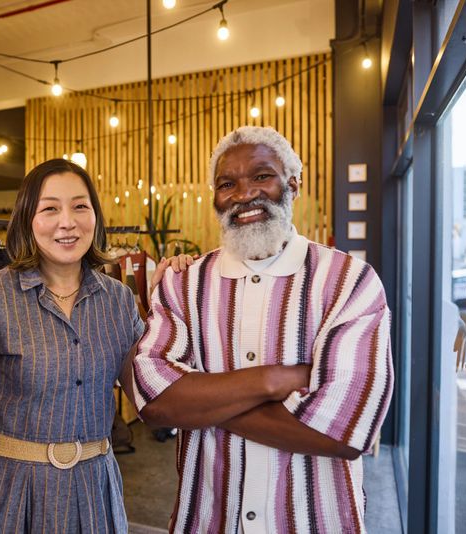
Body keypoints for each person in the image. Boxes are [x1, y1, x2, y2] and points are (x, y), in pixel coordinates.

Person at [132, 126, 393, 533]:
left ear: (293, 183)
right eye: (226, 183)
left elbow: (346, 430)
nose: (242, 194)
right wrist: (275, 380)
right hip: (208, 520)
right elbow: (154, 404)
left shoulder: (349, 281)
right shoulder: (182, 284)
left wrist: (202, 403)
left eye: (260, 176)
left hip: (315, 521)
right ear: (215, 198)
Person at [0, 158, 185, 533]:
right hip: (13, 490)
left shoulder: (118, 300)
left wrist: (172, 303)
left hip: (94, 490)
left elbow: (148, 398)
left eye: (80, 206)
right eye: (50, 208)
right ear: (27, 218)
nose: (67, 221)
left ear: (95, 217)